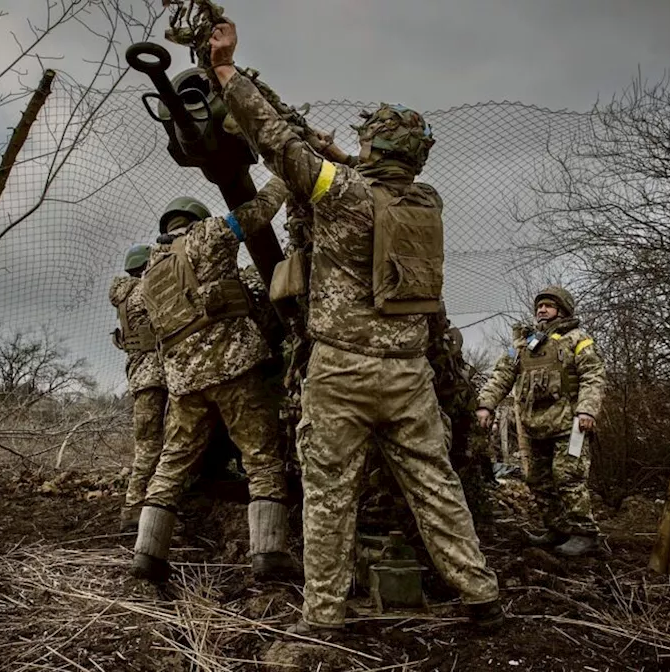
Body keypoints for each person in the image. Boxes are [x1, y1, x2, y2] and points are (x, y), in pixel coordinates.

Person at [208, 19, 503, 634]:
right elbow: (366, 177)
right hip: (409, 374)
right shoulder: (428, 201)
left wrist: (227, 70)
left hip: (341, 371)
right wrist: (347, 155)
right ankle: (480, 595)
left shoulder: (339, 194)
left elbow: (273, 141)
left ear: (373, 151)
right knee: (435, 483)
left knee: (329, 493)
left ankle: (323, 616)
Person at [130, 181, 301, 584]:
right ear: (195, 219)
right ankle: (269, 554)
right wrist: (282, 175)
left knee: (171, 464)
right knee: (261, 458)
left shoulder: (150, 269)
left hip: (184, 382)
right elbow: (256, 214)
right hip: (232, 368)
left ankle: (147, 556)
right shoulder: (207, 235)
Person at [476, 286, 607, 557]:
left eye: (548, 306)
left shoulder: (577, 339)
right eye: (539, 306)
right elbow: (502, 375)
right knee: (538, 480)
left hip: (570, 427)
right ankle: (557, 529)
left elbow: (593, 375)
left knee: (568, 477)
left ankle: (586, 534)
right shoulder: (524, 345)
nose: (541, 310)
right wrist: (485, 405)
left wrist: (587, 411)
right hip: (536, 428)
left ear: (562, 310)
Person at [110, 244, 169, 532]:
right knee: (152, 446)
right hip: (155, 375)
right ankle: (136, 507)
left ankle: (138, 505)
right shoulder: (143, 292)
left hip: (140, 377)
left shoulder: (123, 296)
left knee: (149, 443)